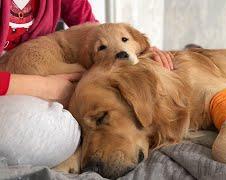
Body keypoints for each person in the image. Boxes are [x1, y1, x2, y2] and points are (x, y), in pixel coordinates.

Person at [0, 0, 173, 168]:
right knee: (57, 133)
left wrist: (143, 52)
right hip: (15, 92)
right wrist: (43, 86)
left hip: (40, 84)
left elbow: (96, 32)